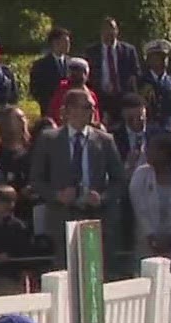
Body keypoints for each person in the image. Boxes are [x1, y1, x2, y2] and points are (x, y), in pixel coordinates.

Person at [31, 88, 122, 268]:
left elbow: (119, 181)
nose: (92, 112)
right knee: (65, 273)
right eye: (87, 107)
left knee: (94, 272)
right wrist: (57, 195)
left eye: (93, 107)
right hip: (62, 217)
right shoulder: (49, 139)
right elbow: (36, 179)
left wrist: (102, 197)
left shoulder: (105, 141)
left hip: (96, 218)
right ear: (69, 110)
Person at [128, 134, 171, 268]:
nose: (147, 152)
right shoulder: (140, 174)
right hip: (147, 241)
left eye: (152, 149)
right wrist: (151, 237)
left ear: (165, 152)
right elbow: (139, 210)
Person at [85, 18, 139, 101]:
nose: (109, 32)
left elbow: (136, 72)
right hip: (100, 96)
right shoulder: (91, 52)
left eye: (112, 28)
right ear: (101, 31)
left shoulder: (128, 51)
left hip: (123, 96)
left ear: (117, 31)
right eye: (106, 29)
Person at [136, 40, 171, 133]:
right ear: (149, 60)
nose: (162, 61)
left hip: (167, 128)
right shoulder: (140, 82)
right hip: (146, 128)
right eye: (157, 57)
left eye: (164, 57)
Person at [28, 27, 74, 119]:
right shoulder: (40, 65)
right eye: (65, 42)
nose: (68, 45)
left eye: (68, 42)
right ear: (55, 42)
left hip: (70, 111)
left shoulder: (72, 63)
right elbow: (35, 89)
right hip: (49, 112)